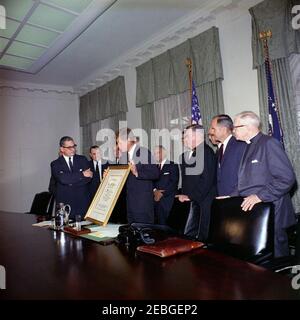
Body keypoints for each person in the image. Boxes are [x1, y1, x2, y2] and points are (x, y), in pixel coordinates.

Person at [233, 111, 296, 257]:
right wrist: (231, 197)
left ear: (248, 127)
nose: (233, 130)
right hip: (257, 210)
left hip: (273, 208)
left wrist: (259, 196)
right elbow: (248, 180)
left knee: (276, 252)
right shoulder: (248, 146)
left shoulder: (268, 143)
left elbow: (286, 178)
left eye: (236, 127)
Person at [177, 124, 217, 241]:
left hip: (203, 202)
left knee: (201, 236)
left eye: (187, 136)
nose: (185, 140)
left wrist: (190, 196)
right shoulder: (195, 153)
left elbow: (206, 180)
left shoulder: (205, 152)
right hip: (195, 201)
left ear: (198, 135)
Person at [117, 128, 159, 223]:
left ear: (128, 140)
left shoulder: (143, 152)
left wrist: (137, 173)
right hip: (130, 204)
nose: (118, 146)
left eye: (119, 142)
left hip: (142, 205)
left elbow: (155, 173)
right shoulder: (125, 156)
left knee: (144, 234)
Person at [50, 136, 93, 219]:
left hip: (82, 204)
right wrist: (82, 174)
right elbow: (62, 179)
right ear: (62, 149)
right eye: (69, 147)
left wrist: (69, 181)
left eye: (74, 146)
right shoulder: (55, 164)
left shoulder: (82, 159)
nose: (73, 149)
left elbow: (88, 178)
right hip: (65, 204)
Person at [209, 114, 246, 197]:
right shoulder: (220, 148)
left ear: (224, 130)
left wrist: (233, 195)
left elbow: (245, 176)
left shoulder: (240, 145)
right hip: (223, 197)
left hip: (237, 198)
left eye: (213, 129)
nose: (211, 132)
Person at [153, 145, 179, 225]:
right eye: (154, 153)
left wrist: (161, 194)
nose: (155, 155)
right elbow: (151, 182)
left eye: (157, 153)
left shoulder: (173, 165)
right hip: (156, 201)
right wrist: (154, 191)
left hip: (168, 202)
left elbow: (174, 183)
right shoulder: (154, 167)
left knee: (168, 226)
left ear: (164, 153)